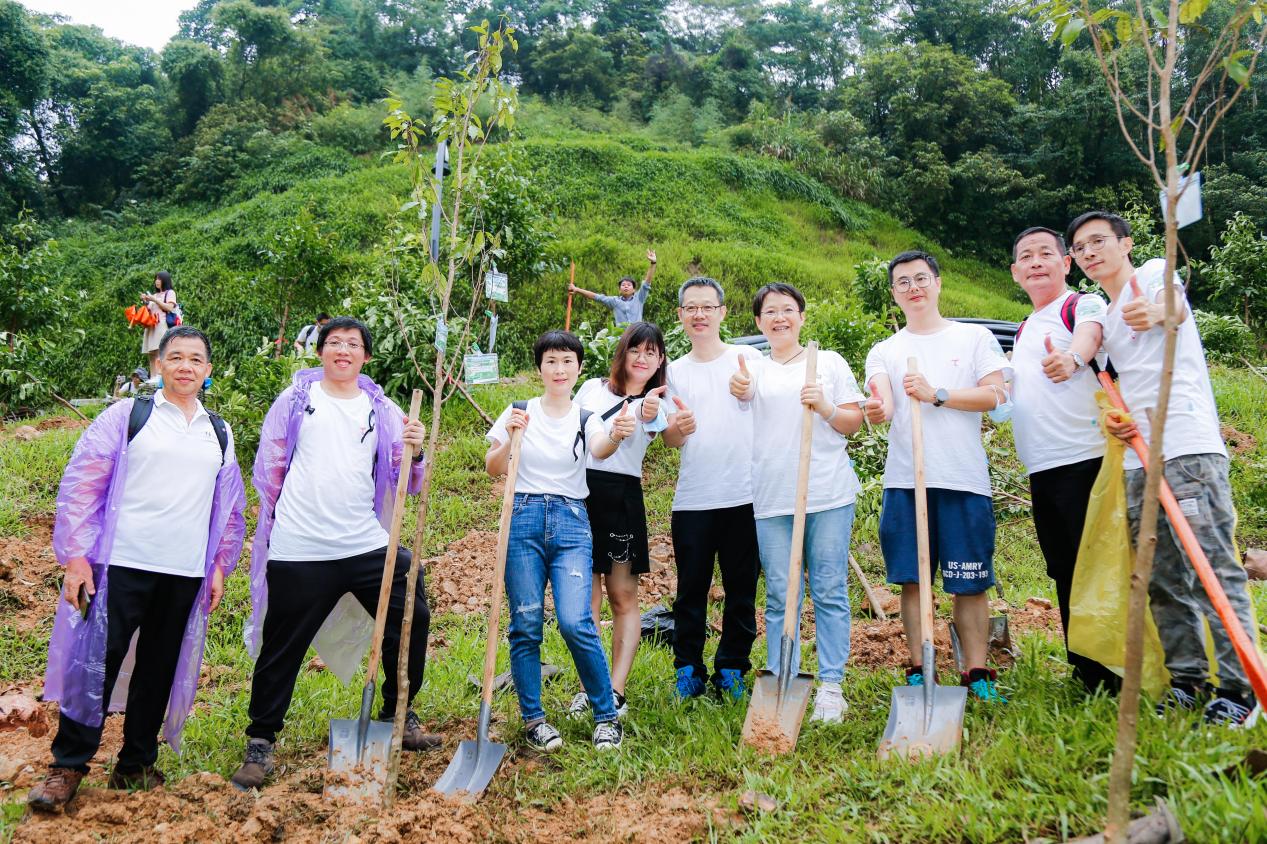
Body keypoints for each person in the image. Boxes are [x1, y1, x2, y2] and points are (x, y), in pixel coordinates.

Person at [29, 326, 246, 811]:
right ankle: (68, 766)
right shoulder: (128, 416)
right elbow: (83, 484)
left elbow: (230, 506)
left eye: (196, 359)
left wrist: (218, 565)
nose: (186, 366)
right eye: (176, 357)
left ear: (208, 371)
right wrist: (77, 557)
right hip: (121, 564)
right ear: (160, 364)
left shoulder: (219, 431)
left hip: (184, 572)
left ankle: (136, 764)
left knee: (158, 669)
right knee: (95, 666)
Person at [1066, 210, 1257, 725]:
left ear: (1125, 243)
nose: (1089, 252)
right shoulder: (1103, 319)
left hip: (1186, 450)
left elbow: (1173, 308)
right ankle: (1188, 681)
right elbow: (1115, 388)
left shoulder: (1151, 274)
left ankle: (1240, 690)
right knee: (1162, 576)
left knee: (1212, 567)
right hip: (1138, 459)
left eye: (1098, 241)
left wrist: (1155, 312)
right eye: (1080, 248)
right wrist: (1116, 423)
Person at [232, 316, 436, 790]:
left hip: (363, 541)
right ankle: (261, 740)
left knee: (411, 614)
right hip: (300, 545)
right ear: (320, 351)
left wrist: (417, 451)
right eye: (335, 343)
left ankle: (398, 712)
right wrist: (276, 528)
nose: (343, 350)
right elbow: (270, 467)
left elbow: (405, 478)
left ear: (366, 356)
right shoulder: (295, 400)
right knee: (282, 645)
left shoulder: (382, 409)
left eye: (353, 344)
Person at [864, 250, 1011, 702]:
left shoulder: (974, 337)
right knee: (913, 580)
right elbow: (883, 401)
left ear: (938, 283)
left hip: (962, 479)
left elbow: (997, 395)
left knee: (970, 579)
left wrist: (937, 394)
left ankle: (977, 674)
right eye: (903, 282)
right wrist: (876, 408)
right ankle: (919, 670)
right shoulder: (885, 351)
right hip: (906, 482)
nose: (913, 288)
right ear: (894, 293)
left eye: (921, 278)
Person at [730, 283, 865, 722]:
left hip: (827, 494)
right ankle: (781, 677)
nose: (780, 318)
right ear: (758, 322)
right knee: (779, 593)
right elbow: (742, 392)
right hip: (772, 498)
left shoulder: (828, 362)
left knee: (828, 588)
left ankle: (831, 685)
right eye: (770, 312)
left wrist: (825, 406)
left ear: (802, 317)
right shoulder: (754, 368)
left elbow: (853, 422)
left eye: (788, 310)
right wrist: (740, 388)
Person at [485, 330, 624, 752]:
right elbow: (493, 467)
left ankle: (606, 716)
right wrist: (511, 436)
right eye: (551, 361)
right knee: (526, 623)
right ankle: (534, 720)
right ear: (540, 368)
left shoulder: (586, 417)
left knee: (575, 621)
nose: (559, 369)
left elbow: (600, 448)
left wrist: (618, 433)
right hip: (523, 518)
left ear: (578, 368)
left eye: (567, 361)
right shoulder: (519, 410)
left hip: (571, 521)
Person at [1008, 226, 1121, 694]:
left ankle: (1115, 668)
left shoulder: (1083, 304)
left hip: (1085, 458)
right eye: (1026, 256)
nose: (1036, 262)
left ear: (1066, 263)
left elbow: (1090, 337)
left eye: (1045, 253)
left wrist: (1072, 360)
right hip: (1042, 467)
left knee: (1096, 562)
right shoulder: (1024, 329)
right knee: (1063, 565)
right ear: (1015, 273)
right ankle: (1087, 667)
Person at [663, 277, 762, 700]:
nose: (699, 314)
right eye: (691, 307)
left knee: (742, 589)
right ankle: (688, 669)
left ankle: (732, 668)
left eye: (707, 307)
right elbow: (669, 438)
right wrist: (679, 428)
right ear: (681, 315)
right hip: (694, 499)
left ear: (722, 312)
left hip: (746, 495)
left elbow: (767, 403)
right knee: (690, 590)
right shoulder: (673, 371)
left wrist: (749, 388)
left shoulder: (748, 358)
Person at [568, 322, 669, 722]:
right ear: (623, 352)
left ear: (660, 361)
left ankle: (615, 690)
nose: (642, 358)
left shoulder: (657, 403)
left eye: (651, 353)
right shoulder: (592, 389)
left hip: (622, 498)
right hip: (579, 494)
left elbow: (655, 421)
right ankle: (588, 688)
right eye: (635, 350)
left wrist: (648, 411)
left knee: (622, 597)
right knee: (585, 600)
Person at [569, 250, 657, 325]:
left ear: (634, 289)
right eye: (623, 285)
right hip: (622, 336)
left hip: (638, 334)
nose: (626, 286)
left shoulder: (639, 298)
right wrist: (577, 289)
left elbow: (647, 283)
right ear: (619, 289)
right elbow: (596, 297)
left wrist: (653, 263)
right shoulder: (614, 301)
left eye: (629, 285)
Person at [140, 271, 178, 378]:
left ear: (165, 280)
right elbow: (149, 310)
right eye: (156, 279)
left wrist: (154, 300)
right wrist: (146, 301)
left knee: (160, 351)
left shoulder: (170, 293)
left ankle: (161, 377)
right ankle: (153, 378)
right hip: (151, 326)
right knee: (152, 353)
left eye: (159, 279)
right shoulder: (154, 295)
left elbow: (169, 307)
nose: (157, 281)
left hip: (162, 325)